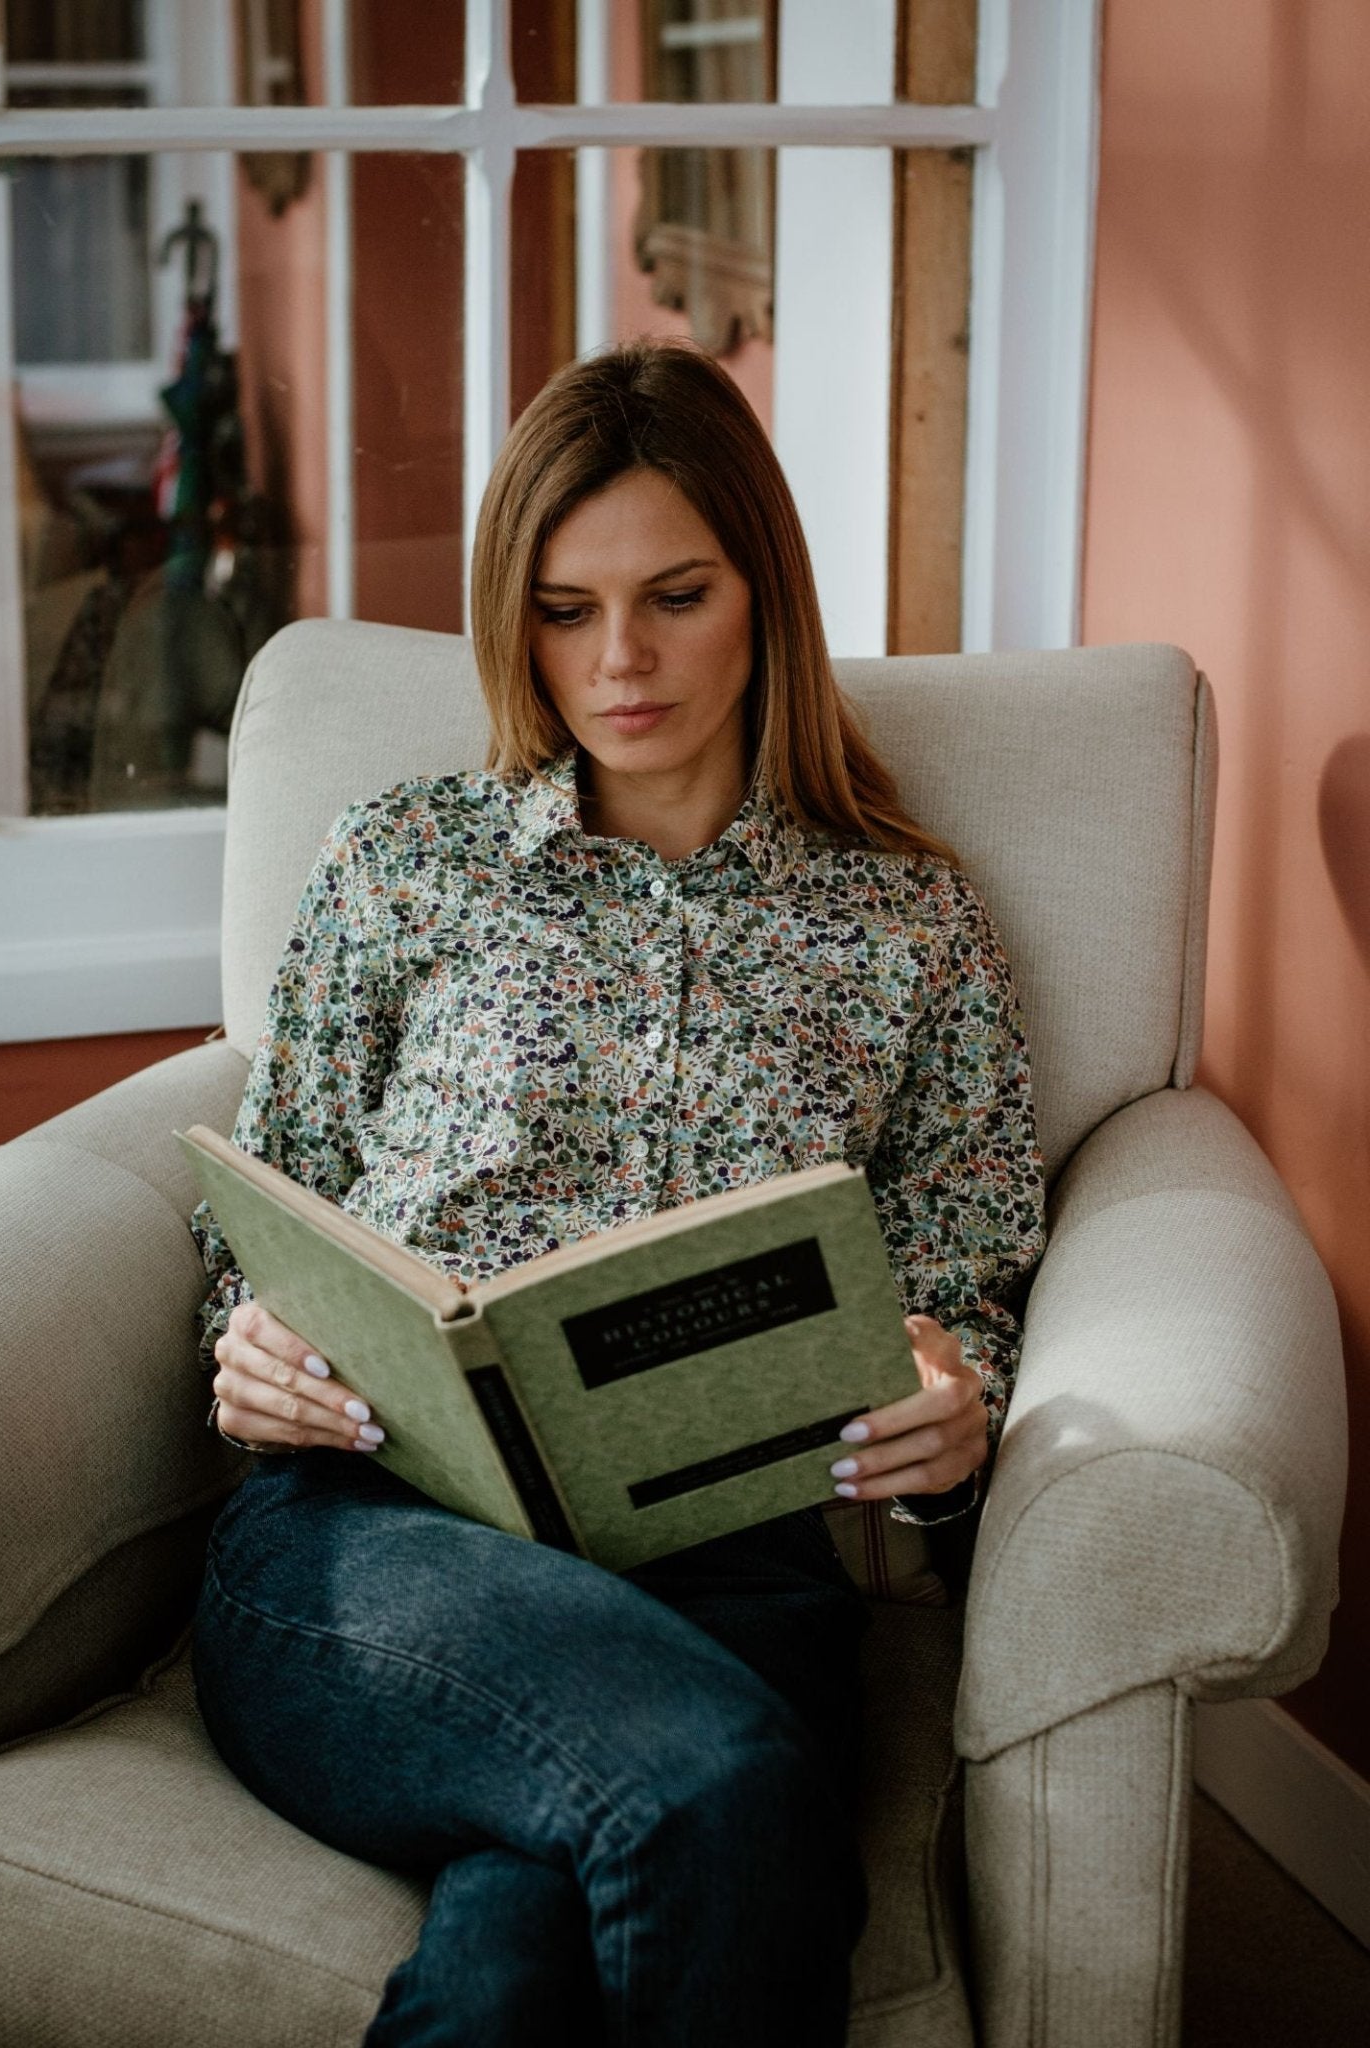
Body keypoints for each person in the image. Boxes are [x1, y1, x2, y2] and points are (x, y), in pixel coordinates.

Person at [189, 338, 1047, 2047]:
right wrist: (254, 1345)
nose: (625, 659)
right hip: (365, 1544)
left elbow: (968, 1277)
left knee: (511, 1975)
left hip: (730, 1569)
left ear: (765, 596)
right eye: (568, 610)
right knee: (715, 1787)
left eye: (676, 593)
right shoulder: (402, 862)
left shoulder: (908, 923)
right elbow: (262, 1210)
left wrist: (954, 1403)